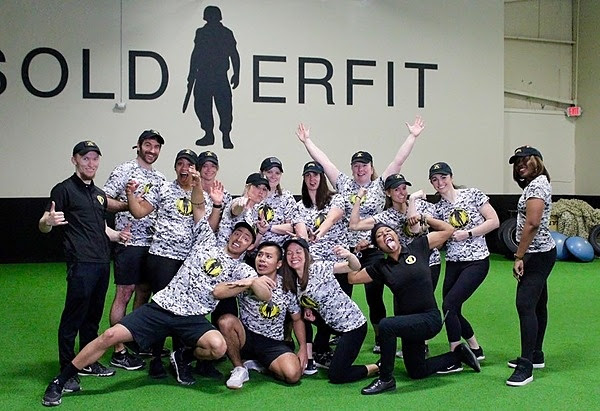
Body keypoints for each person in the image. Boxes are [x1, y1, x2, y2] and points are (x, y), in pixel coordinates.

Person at [41, 184, 274, 406]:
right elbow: (198, 206)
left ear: (250, 246)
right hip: (162, 307)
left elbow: (256, 294)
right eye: (237, 233)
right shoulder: (206, 241)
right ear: (231, 234)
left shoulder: (242, 269)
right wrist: (196, 184)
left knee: (218, 347)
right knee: (109, 336)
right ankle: (60, 380)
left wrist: (251, 281)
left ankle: (183, 356)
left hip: (192, 318)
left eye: (246, 238)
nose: (239, 239)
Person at [295, 117, 424, 353]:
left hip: (373, 251)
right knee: (340, 294)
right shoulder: (344, 184)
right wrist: (307, 142)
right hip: (347, 251)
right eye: (356, 165)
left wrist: (412, 136)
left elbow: (398, 160)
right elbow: (324, 162)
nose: (360, 169)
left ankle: (380, 337)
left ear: (371, 168)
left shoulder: (379, 185)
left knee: (374, 295)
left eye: (364, 165)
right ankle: (341, 332)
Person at [38, 141, 132, 396]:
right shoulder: (63, 190)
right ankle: (66, 369)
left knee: (92, 317)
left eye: (94, 159)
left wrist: (118, 236)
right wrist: (48, 221)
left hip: (102, 263)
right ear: (75, 160)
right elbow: (44, 224)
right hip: (81, 263)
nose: (91, 163)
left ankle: (88, 362)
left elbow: (101, 228)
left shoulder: (99, 194)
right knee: (73, 317)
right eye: (85, 158)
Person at [348, 222, 481, 395]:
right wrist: (354, 253)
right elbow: (352, 278)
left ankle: (386, 379)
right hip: (409, 325)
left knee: (386, 325)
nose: (385, 235)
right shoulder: (381, 267)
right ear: (378, 247)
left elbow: (448, 230)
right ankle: (458, 354)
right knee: (417, 371)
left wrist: (425, 218)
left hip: (429, 318)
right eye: (379, 236)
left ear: (397, 236)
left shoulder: (417, 247)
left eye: (388, 231)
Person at [126, 148, 204, 378]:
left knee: (183, 308)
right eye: (180, 163)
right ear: (175, 167)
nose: (184, 168)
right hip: (162, 257)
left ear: (196, 170)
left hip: (188, 261)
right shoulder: (163, 188)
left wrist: (198, 187)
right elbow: (139, 212)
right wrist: (130, 195)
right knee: (162, 307)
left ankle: (179, 357)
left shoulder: (202, 195)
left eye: (189, 165)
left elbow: (204, 224)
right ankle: (156, 357)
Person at [102, 129, 166, 370]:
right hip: (128, 243)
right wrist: (127, 205)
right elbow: (102, 200)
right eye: (148, 145)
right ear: (138, 146)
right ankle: (118, 349)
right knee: (124, 293)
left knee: (144, 293)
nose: (152, 150)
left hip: (153, 244)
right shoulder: (123, 170)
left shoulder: (160, 178)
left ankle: (136, 340)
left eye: (156, 147)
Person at [428, 161, 500, 368]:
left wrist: (468, 233)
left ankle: (455, 357)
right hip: (453, 262)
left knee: (449, 305)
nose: (440, 182)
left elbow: (493, 221)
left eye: (443, 177)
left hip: (476, 261)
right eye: (435, 180)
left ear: (451, 177)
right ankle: (475, 349)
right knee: (453, 309)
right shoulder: (438, 209)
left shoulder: (472, 194)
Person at [280, 238, 379, 384]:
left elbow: (354, 267)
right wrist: (307, 307)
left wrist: (349, 255)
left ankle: (377, 366)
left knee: (337, 375)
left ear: (306, 254)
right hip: (329, 323)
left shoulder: (319, 267)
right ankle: (314, 355)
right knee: (300, 316)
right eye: (289, 253)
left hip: (352, 327)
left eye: (298, 252)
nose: (294, 256)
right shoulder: (293, 280)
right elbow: (307, 296)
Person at [217, 242, 308, 389]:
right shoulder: (246, 275)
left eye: (268, 256)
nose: (262, 259)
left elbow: (297, 319)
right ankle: (239, 368)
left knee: (292, 375)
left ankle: (260, 362)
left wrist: (303, 347)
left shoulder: (286, 286)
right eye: (260, 255)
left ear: (278, 264)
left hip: (272, 342)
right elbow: (218, 293)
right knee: (225, 321)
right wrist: (248, 282)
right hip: (246, 337)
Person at [506, 146, 556, 387]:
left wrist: (519, 255)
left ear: (537, 161)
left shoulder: (537, 186)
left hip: (537, 255)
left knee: (525, 304)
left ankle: (526, 366)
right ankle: (535, 355)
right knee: (537, 303)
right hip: (540, 253)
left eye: (525, 160)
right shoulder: (536, 184)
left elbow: (533, 223)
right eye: (517, 162)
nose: (520, 165)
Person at [295, 160, 349, 372]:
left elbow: (333, 217)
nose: (312, 179)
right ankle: (317, 350)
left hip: (338, 263)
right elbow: (300, 231)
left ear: (322, 177)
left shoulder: (336, 198)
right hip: (315, 267)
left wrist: (319, 232)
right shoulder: (299, 206)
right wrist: (305, 239)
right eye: (308, 175)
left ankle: (325, 345)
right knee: (311, 307)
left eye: (316, 175)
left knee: (337, 307)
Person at [187, 5, 240, 149]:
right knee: (202, 105)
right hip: (203, 75)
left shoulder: (226, 33)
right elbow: (196, 54)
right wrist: (191, 74)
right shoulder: (201, 33)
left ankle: (226, 135)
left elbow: (234, 54)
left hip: (219, 75)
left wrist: (236, 74)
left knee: (225, 107)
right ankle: (208, 133)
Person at [197, 150, 232, 231]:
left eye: (213, 166)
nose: (209, 169)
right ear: (199, 168)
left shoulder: (225, 195)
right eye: (205, 166)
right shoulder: (192, 192)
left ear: (217, 168)